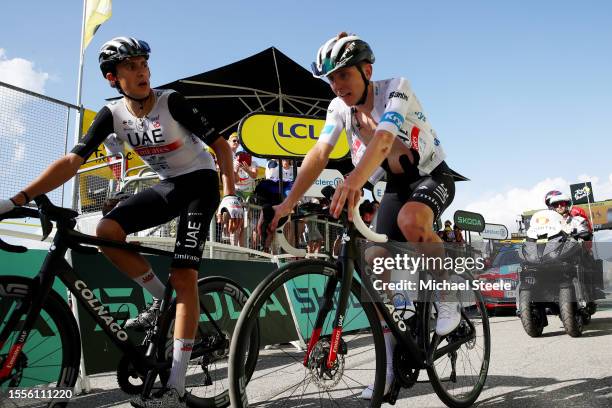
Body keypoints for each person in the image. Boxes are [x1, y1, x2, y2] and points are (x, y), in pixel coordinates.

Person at [0, 37, 238, 407]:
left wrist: (230, 196)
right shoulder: (111, 115)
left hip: (201, 184)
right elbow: (71, 162)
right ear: (112, 77)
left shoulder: (170, 101)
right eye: (130, 66)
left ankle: (174, 387)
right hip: (170, 185)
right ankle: (164, 301)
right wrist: (17, 199)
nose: (142, 70)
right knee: (106, 230)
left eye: (143, 62)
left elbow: (221, 146)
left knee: (184, 275)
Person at [261, 32, 463, 399]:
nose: (337, 85)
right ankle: (389, 365)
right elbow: (320, 153)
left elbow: (384, 138)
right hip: (394, 189)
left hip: (432, 175)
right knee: (373, 261)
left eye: (344, 75)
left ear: (367, 70)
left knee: (411, 223)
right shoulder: (337, 109)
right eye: (331, 78)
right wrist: (286, 204)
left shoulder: (396, 88)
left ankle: (447, 295)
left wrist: (354, 181)